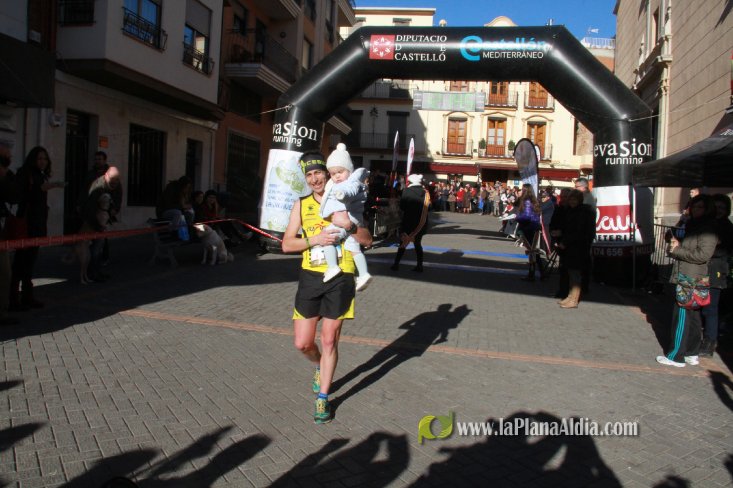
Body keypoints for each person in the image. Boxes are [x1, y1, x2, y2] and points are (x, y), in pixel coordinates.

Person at [281, 151, 372, 424]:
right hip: (311, 276)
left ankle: (323, 398)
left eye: (318, 173)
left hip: (341, 275)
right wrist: (315, 239)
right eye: (308, 175)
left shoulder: (348, 198)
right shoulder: (301, 204)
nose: (314, 179)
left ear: (329, 173)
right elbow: (287, 244)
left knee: (330, 339)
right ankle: (319, 365)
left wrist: (349, 226)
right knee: (303, 343)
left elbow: (367, 240)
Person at [657, 194, 718, 367]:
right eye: (694, 207)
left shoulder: (708, 229)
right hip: (687, 274)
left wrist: (678, 250)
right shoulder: (693, 225)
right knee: (693, 316)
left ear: (707, 209)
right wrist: (675, 245)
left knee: (682, 316)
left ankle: (676, 355)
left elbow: (703, 255)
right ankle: (691, 352)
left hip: (691, 278)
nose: (695, 210)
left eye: (700, 207)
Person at [10, 146, 65, 310]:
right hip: (27, 224)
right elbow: (21, 196)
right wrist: (44, 187)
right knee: (20, 262)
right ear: (33, 159)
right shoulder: (25, 174)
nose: (42, 162)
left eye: (45, 159)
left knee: (30, 262)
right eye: (39, 158)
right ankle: (13, 299)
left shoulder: (41, 175)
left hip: (37, 224)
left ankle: (27, 296)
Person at [319, 143, 372, 291]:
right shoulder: (341, 183)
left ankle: (332, 267)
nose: (336, 176)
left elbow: (350, 191)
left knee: (327, 238)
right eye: (332, 173)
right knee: (354, 248)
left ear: (349, 170)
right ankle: (363, 274)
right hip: (354, 219)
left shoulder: (350, 182)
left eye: (340, 172)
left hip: (346, 219)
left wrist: (342, 195)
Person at [700, 194, 733, 357]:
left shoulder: (727, 227)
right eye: (716, 207)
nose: (719, 210)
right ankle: (702, 336)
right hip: (702, 270)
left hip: (716, 271)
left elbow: (723, 250)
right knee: (700, 305)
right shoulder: (707, 223)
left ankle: (710, 342)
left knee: (711, 308)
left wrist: (706, 251)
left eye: (722, 208)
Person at [555, 189, 595, 309]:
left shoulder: (582, 212)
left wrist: (565, 242)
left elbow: (578, 232)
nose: (572, 201)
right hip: (571, 246)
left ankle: (574, 299)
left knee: (575, 274)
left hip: (578, 247)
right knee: (570, 272)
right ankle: (570, 296)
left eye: (574, 200)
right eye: (571, 199)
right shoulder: (572, 211)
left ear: (579, 200)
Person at [0, 143, 22, 324]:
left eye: (7, 159)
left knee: (4, 273)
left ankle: (2, 312)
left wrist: (7, 176)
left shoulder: (7, 177)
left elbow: (14, 196)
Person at [391, 174, 430, 272]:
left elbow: (402, 207)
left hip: (408, 221)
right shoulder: (425, 192)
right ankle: (420, 265)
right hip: (420, 222)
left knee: (403, 242)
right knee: (418, 244)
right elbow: (429, 207)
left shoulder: (406, 191)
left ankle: (396, 264)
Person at [515, 184, 543, 281]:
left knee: (532, 251)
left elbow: (526, 216)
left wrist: (517, 217)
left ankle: (532, 274)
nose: (521, 191)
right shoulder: (534, 201)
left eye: (522, 189)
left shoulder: (526, 201)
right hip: (534, 226)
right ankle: (541, 273)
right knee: (533, 251)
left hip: (528, 227)